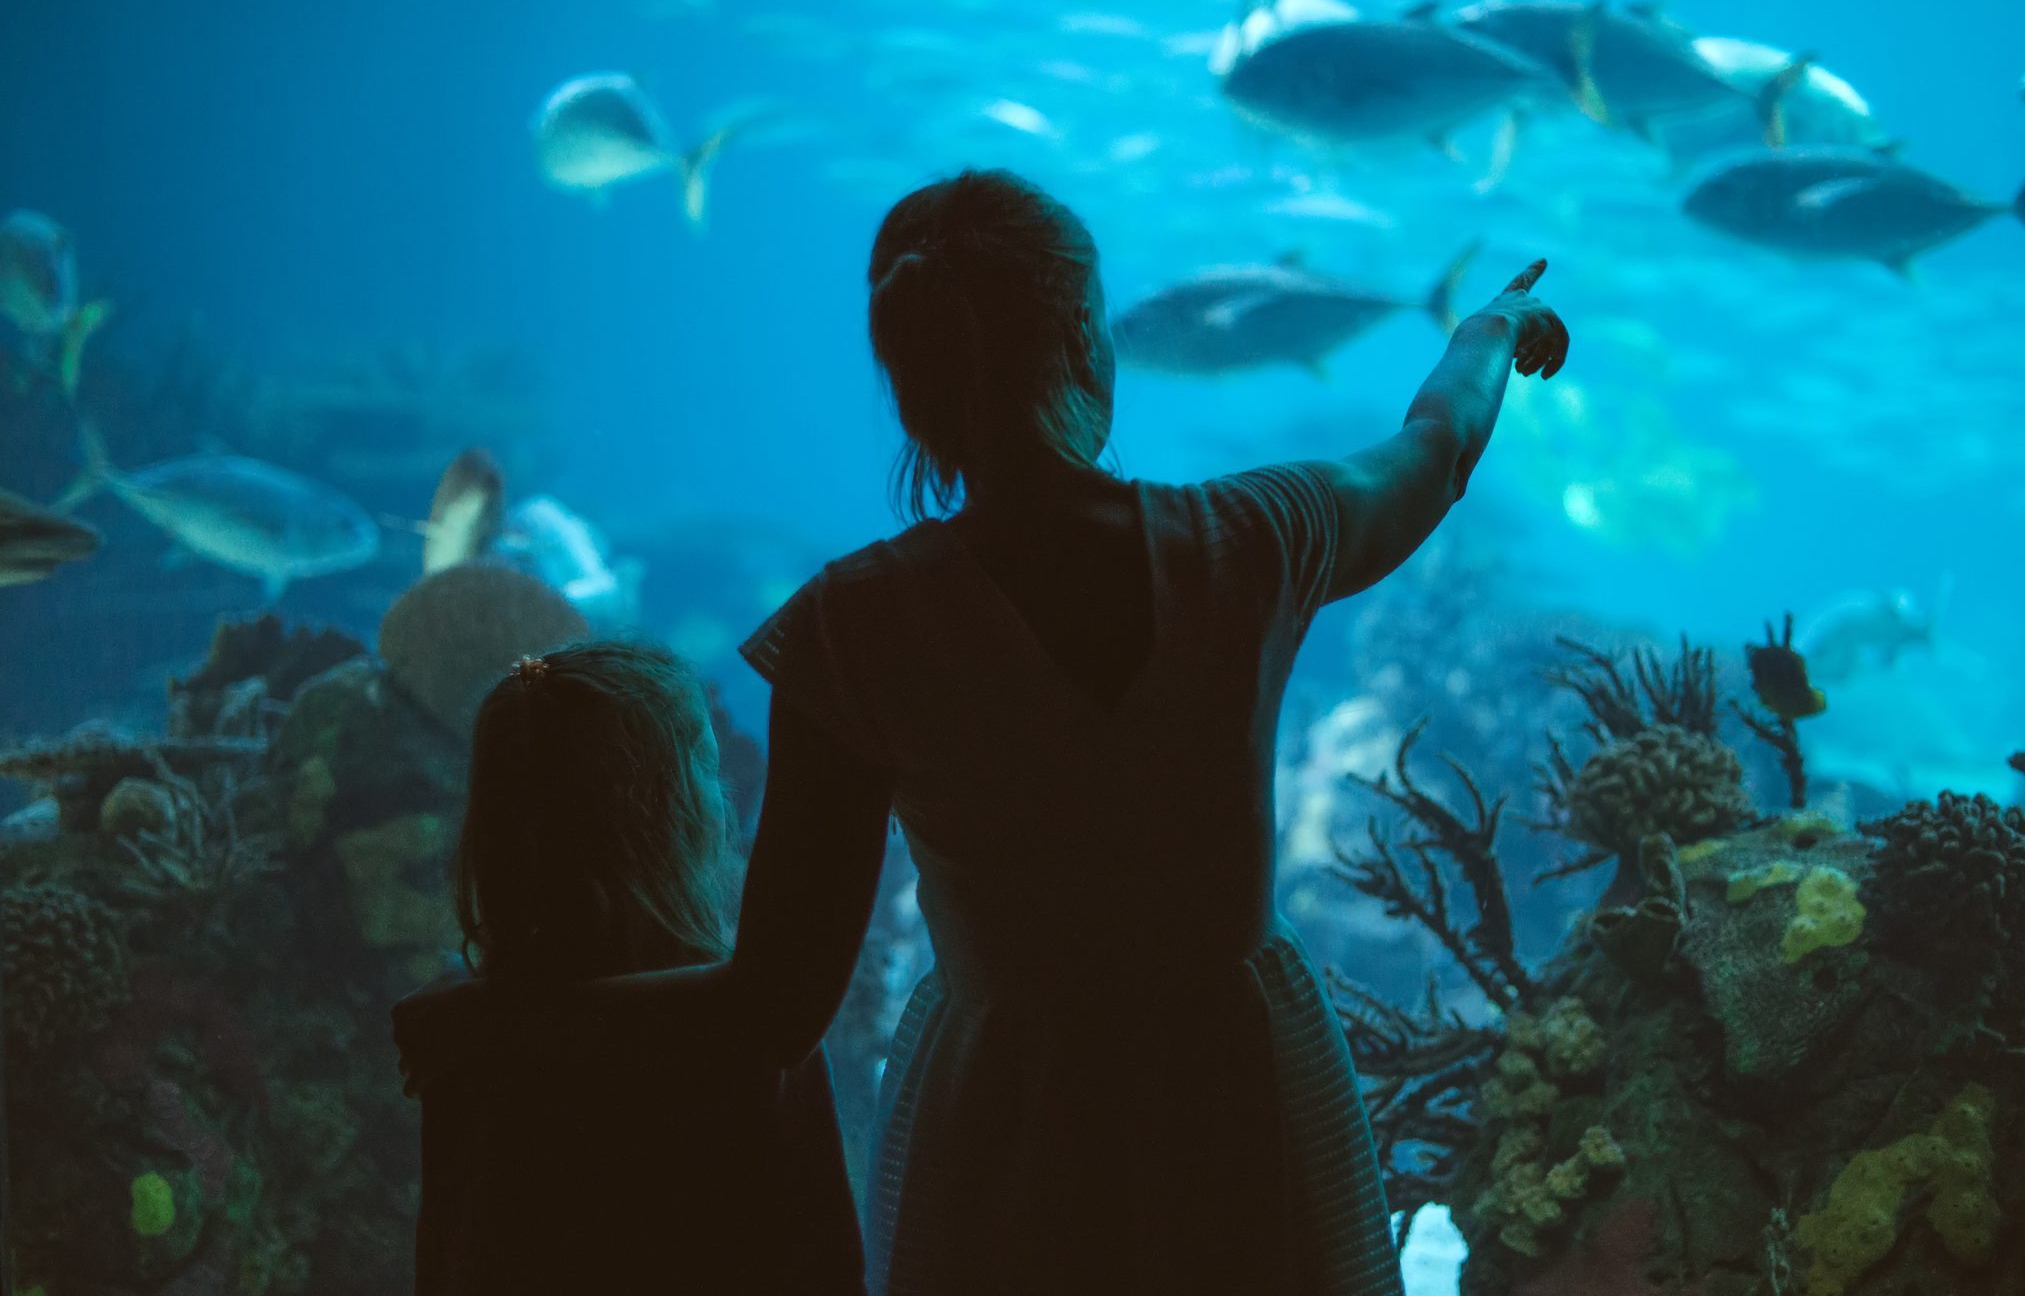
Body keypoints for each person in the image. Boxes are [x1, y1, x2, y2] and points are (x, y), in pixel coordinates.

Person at [459, 168, 1568, 1294]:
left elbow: (773, 1004)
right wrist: (1488, 328)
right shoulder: (1251, 542)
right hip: (1239, 1094)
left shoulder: (854, 627)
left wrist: (517, 1025)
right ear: (1089, 338)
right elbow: (1434, 449)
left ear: (910, 386)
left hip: (1006, 1120)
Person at [389, 641, 866, 1295]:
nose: (724, 787)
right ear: (666, 809)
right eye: (704, 761)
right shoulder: (749, 1028)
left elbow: (454, 1256)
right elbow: (824, 1260)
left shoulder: (461, 1040)